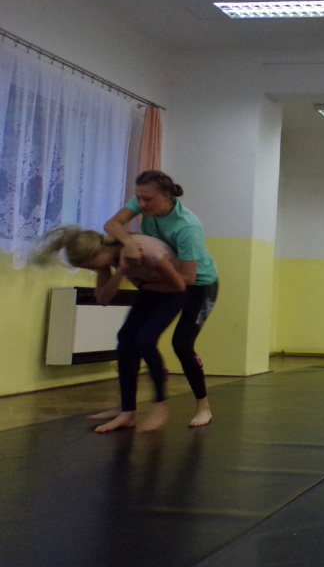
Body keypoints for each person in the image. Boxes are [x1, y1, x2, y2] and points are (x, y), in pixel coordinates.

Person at [34, 227, 187, 432]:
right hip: (151, 290)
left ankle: (161, 404)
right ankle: (127, 410)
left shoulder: (142, 251)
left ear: (101, 252)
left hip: (176, 290)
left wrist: (134, 278)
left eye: (90, 266)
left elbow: (179, 285)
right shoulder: (112, 259)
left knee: (145, 341)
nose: (92, 270)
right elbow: (103, 299)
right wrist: (121, 272)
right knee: (125, 341)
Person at [104, 171, 219, 428]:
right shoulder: (144, 202)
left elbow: (187, 278)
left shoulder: (187, 227)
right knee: (127, 338)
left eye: (148, 199)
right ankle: (127, 410)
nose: (141, 204)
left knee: (181, 344)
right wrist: (129, 243)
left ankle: (203, 406)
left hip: (198, 285)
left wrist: (145, 282)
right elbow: (112, 225)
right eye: (138, 198)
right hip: (163, 279)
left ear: (167, 197)